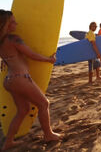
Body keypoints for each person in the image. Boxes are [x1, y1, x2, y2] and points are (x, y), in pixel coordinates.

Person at [0, 9, 61, 150]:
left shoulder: (1, 42)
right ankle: (48, 134)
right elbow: (32, 54)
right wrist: (49, 60)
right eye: (13, 21)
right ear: (6, 24)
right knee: (44, 104)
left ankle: (8, 142)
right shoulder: (14, 39)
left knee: (23, 110)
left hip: (9, 80)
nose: (16, 23)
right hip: (20, 78)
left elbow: (8, 58)